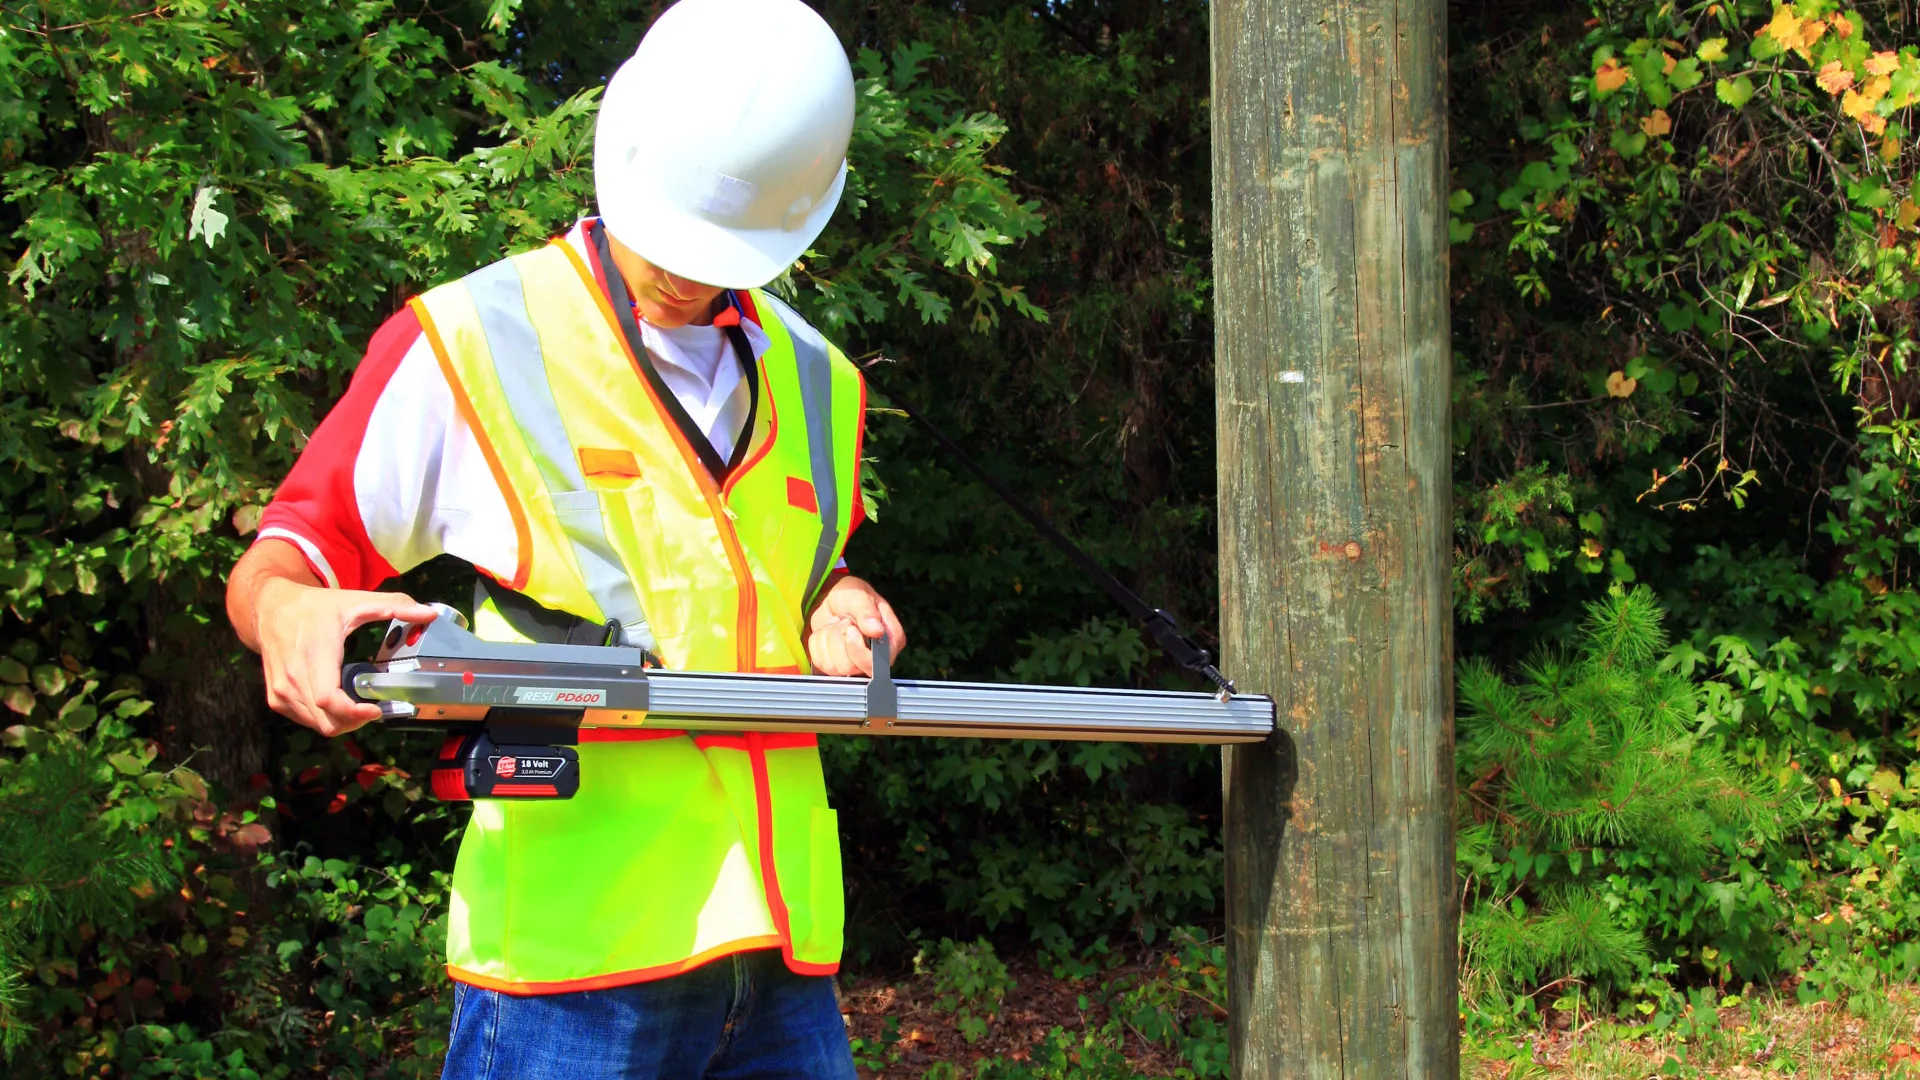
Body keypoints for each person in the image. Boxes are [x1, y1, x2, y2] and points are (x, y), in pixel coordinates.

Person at [223, 0, 902, 1075]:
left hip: (782, 956)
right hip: (572, 973)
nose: (689, 265)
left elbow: (783, 570)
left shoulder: (820, 379)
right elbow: (295, 546)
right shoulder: (473, 339)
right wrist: (287, 609)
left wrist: (838, 599)